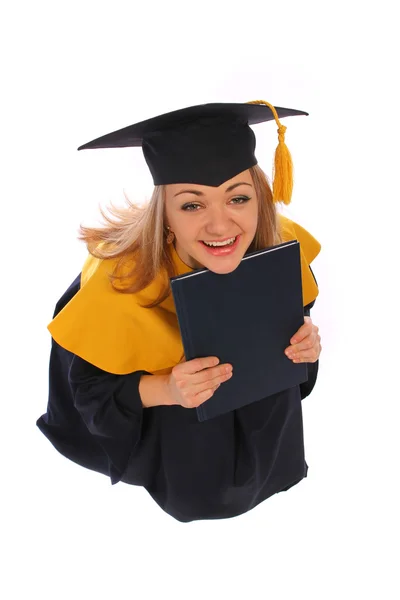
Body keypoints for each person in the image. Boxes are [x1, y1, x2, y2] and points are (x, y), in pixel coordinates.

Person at [36, 99, 322, 523]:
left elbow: (296, 330)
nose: (221, 226)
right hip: (186, 454)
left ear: (259, 200)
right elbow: (90, 396)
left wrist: (306, 342)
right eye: (192, 204)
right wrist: (168, 389)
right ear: (165, 215)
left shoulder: (277, 247)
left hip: (269, 445)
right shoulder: (121, 283)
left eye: (238, 198)